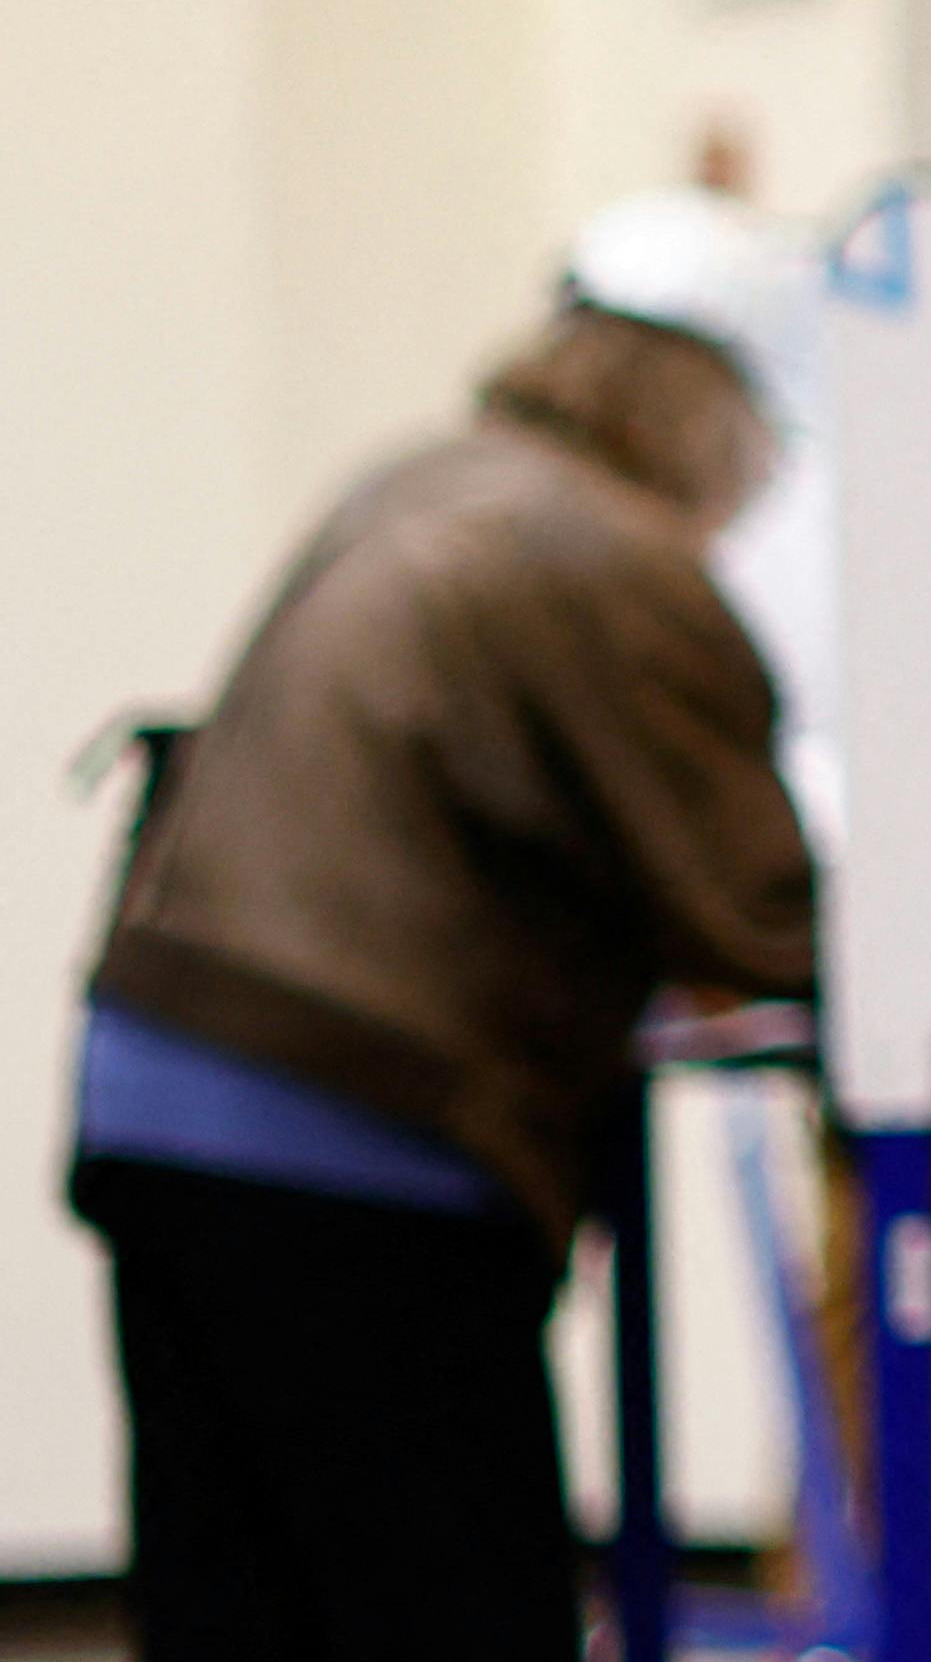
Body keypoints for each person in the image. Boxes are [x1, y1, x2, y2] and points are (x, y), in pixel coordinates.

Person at [71, 192, 824, 1662]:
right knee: (456, 1611)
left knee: (237, 1606)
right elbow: (759, 905)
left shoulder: (424, 479)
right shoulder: (612, 561)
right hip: (353, 1135)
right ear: (716, 408)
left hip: (157, 1083)